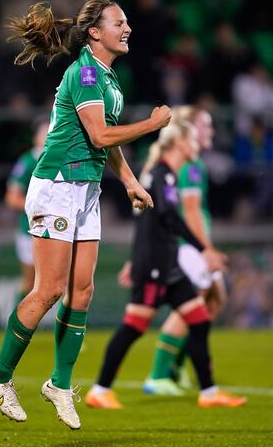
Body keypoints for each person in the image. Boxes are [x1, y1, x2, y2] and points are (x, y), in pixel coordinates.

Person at [0, 0, 171, 430]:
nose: (128, 29)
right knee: (48, 290)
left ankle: (59, 384)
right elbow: (100, 134)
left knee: (81, 292)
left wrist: (130, 181)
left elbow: (107, 143)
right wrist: (152, 124)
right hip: (58, 185)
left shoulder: (107, 78)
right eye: (119, 22)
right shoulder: (84, 72)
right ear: (94, 32)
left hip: (85, 190)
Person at [84, 121, 245, 409]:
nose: (197, 145)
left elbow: (150, 223)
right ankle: (99, 390)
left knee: (198, 320)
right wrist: (203, 250)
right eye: (193, 140)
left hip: (168, 265)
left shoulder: (165, 174)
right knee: (134, 327)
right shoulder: (162, 174)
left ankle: (209, 393)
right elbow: (168, 217)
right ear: (180, 143)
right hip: (155, 266)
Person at [142, 106, 228, 395]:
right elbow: (190, 211)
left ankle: (174, 369)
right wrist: (206, 250)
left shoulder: (191, 164)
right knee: (193, 305)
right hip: (186, 248)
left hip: (184, 246)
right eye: (206, 126)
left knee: (213, 301)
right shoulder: (191, 167)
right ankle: (159, 374)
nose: (211, 132)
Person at [4, 121, 49, 302]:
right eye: (44, 133)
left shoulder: (61, 159)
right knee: (30, 281)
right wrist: (39, 207)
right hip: (30, 229)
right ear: (35, 138)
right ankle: (17, 323)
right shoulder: (28, 161)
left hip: (57, 228)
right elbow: (11, 197)